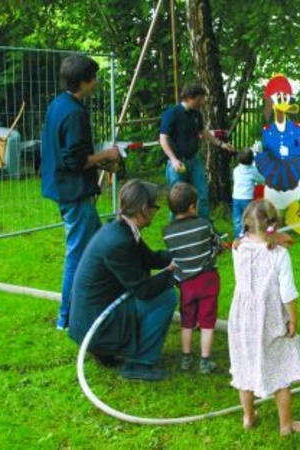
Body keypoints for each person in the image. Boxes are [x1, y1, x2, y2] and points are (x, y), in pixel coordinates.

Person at [68, 179, 177, 381]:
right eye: (154, 206)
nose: (156, 210)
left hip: (93, 316)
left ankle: (107, 353)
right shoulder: (119, 241)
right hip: (96, 327)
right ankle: (138, 365)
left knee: (160, 290)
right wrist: (173, 275)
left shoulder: (122, 229)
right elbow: (143, 290)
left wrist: (182, 253)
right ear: (144, 209)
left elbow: (150, 258)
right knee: (166, 297)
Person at [41, 54, 120, 330]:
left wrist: (104, 165)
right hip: (73, 192)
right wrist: (106, 155)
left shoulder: (58, 104)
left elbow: (68, 154)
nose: (97, 82)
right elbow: (76, 161)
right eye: (94, 77)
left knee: (99, 243)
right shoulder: (74, 112)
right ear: (84, 82)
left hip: (63, 187)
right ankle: (67, 317)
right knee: (77, 254)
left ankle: (102, 300)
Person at [228, 199, 300, 436]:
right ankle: (286, 426)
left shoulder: (237, 248)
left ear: (246, 224)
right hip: (271, 318)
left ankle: (248, 417)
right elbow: (288, 293)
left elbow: (253, 241)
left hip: (242, 319)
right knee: (281, 370)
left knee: (244, 367)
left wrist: (275, 237)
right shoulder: (280, 255)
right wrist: (293, 319)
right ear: (274, 224)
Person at [162, 183, 223, 375]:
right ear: (191, 207)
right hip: (207, 279)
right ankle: (205, 361)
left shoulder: (168, 232)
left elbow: (174, 255)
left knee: (187, 320)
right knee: (207, 320)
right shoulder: (204, 225)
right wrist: (217, 248)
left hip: (185, 282)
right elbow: (217, 245)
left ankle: (186, 358)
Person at [158, 83, 235, 220]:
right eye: (200, 99)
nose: (203, 102)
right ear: (189, 98)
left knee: (202, 196)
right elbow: (163, 139)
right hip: (177, 163)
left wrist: (221, 144)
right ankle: (175, 231)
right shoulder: (172, 114)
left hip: (194, 160)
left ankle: (206, 228)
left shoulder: (196, 114)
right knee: (177, 200)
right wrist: (174, 160)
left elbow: (203, 131)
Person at [231, 148, 264, 238]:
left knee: (237, 219)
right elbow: (261, 180)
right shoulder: (253, 171)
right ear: (252, 160)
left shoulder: (236, 170)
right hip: (247, 199)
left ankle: (239, 236)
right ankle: (250, 236)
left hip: (236, 197)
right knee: (249, 218)